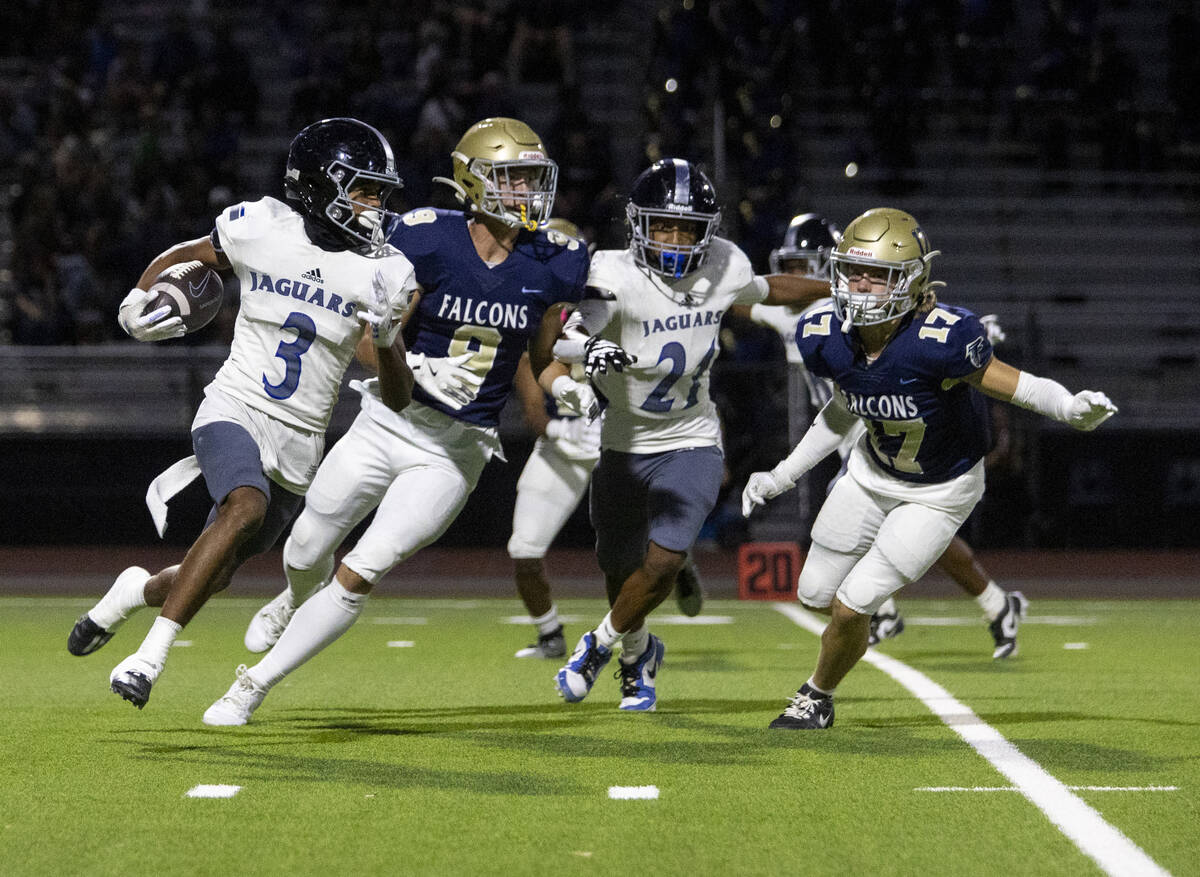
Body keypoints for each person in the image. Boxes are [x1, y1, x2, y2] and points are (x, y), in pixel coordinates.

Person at [202, 117, 594, 726]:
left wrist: (567, 389)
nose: (525, 193)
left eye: (530, 179)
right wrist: (413, 366)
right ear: (473, 181)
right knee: (306, 548)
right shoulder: (426, 238)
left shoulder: (554, 261)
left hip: (457, 449)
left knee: (362, 569)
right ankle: (290, 600)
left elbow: (542, 360)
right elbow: (370, 341)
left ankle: (251, 687)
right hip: (388, 420)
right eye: (511, 178)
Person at [66, 118, 418, 710]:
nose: (373, 205)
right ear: (317, 186)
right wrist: (135, 301)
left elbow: (398, 393)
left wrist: (387, 337)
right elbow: (187, 255)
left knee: (218, 571)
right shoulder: (262, 227)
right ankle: (149, 658)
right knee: (244, 506)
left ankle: (132, 591)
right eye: (361, 189)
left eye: (378, 193)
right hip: (234, 405)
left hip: (300, 440)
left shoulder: (384, 271)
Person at [741, 207, 1117, 729]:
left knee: (853, 606)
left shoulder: (941, 338)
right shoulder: (825, 330)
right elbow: (844, 408)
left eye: (881, 275)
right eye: (855, 271)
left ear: (913, 281)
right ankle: (890, 619)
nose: (864, 286)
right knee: (813, 595)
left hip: (940, 490)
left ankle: (816, 696)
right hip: (871, 475)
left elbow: (1019, 384)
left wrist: (1070, 407)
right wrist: (782, 474)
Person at [542, 158, 831, 712]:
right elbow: (568, 333)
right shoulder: (612, 270)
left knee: (666, 558)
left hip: (692, 437)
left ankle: (596, 648)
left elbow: (771, 289)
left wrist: (835, 287)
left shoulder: (723, 264)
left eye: (687, 228)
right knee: (620, 569)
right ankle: (638, 655)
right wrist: (588, 347)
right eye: (663, 226)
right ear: (637, 226)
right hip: (623, 442)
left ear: (709, 231)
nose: (674, 240)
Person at [740, 213, 1028, 658]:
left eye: (802, 267)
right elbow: (750, 298)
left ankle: (975, 605)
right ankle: (974, 606)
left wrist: (977, 336)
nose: (793, 277)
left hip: (890, 436)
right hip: (845, 437)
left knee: (919, 535)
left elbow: (922, 322)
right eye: (790, 267)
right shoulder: (801, 320)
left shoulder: (872, 310)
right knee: (871, 536)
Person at [507, 219, 704, 661]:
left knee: (634, 555)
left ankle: (641, 637)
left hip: (617, 444)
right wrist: (551, 420)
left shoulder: (618, 296)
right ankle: (550, 634)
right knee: (523, 549)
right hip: (561, 449)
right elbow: (530, 377)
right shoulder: (535, 307)